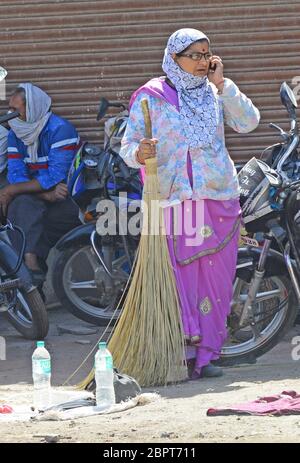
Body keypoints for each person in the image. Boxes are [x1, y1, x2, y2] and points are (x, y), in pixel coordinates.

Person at [119, 28, 260, 379]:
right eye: (194, 55)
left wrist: (224, 84)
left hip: (217, 197)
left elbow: (248, 123)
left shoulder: (215, 94)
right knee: (181, 280)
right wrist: (139, 152)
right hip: (176, 200)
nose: (202, 62)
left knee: (215, 280)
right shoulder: (151, 96)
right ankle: (181, 353)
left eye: (206, 54)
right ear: (174, 57)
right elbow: (127, 146)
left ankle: (208, 354)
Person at [0, 83, 81, 286]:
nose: (10, 115)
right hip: (40, 196)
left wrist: (12, 190)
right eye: (10, 109)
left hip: (63, 197)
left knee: (58, 216)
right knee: (21, 205)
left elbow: (55, 176)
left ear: (33, 107)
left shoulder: (61, 130)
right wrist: (45, 195)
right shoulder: (15, 134)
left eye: (16, 110)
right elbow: (16, 174)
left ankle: (32, 271)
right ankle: (30, 265)